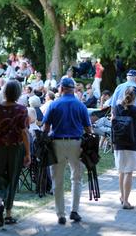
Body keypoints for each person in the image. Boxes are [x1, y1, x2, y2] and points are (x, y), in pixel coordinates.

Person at [43, 77, 92, 225]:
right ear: (73, 89)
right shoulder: (80, 105)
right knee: (76, 178)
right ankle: (74, 211)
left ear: (61, 89)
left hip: (57, 143)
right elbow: (88, 129)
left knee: (57, 180)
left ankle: (60, 214)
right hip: (76, 144)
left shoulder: (54, 104)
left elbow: (45, 128)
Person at [0, 80, 31, 227]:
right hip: (15, 149)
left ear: (4, 92)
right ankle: (8, 214)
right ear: (18, 93)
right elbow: (24, 133)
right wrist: (28, 153)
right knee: (12, 179)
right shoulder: (22, 110)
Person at [113, 86, 136, 210]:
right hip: (132, 143)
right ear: (135, 97)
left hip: (119, 143)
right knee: (128, 172)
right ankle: (126, 201)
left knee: (121, 171)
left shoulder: (117, 108)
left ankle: (122, 196)